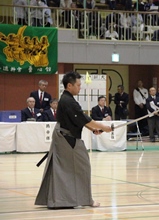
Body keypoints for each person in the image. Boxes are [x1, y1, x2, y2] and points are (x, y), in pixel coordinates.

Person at [35, 71, 112, 208]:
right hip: (66, 138)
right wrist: (103, 127)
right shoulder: (68, 101)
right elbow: (85, 119)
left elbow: (79, 120)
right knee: (83, 166)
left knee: (65, 168)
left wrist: (93, 129)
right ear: (69, 85)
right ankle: (85, 199)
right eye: (78, 85)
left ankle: (61, 199)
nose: (80, 87)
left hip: (65, 136)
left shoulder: (67, 99)